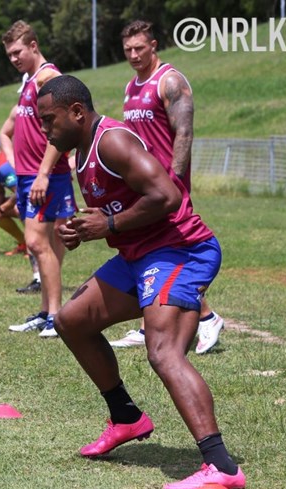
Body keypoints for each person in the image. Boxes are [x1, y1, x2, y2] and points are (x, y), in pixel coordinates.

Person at [38, 75, 245, 489]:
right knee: (71, 321)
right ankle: (126, 417)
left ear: (76, 112)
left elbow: (167, 195)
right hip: (139, 256)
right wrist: (85, 229)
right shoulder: (80, 153)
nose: (45, 130)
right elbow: (116, 209)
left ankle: (221, 464)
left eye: (49, 120)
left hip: (181, 250)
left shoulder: (111, 141)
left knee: (163, 351)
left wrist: (109, 224)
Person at [109, 20, 224, 354]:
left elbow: (184, 133)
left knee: (173, 249)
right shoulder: (131, 86)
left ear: (154, 46)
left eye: (139, 48)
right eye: (128, 49)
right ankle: (152, 326)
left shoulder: (169, 81)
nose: (133, 54)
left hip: (166, 189)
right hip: (142, 187)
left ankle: (207, 317)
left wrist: (173, 182)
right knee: (148, 250)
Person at [1, 20, 77, 338]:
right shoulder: (29, 82)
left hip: (44, 176)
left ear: (33, 46)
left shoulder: (49, 78)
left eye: (18, 52)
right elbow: (6, 131)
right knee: (46, 245)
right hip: (27, 175)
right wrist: (16, 163)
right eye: (9, 54)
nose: (13, 58)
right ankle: (46, 311)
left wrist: (43, 173)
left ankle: (56, 317)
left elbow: (62, 129)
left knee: (36, 243)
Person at [0, 134, 41, 293]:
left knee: (20, 212)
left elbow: (21, 193)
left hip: (37, 200)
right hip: (26, 199)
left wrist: (1, 210)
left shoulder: (5, 167)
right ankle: (24, 244)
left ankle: (37, 268)